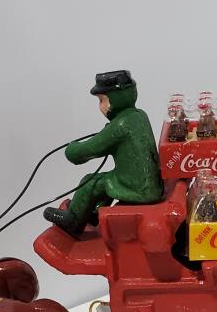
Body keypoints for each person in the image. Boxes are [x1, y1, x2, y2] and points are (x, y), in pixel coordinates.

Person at [43, 70, 162, 235]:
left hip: (138, 189)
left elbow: (86, 151)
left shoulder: (120, 125)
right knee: (107, 179)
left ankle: (72, 221)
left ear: (116, 99)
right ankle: (92, 212)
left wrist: (71, 149)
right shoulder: (139, 115)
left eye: (101, 100)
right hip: (151, 185)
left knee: (89, 182)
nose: (100, 107)